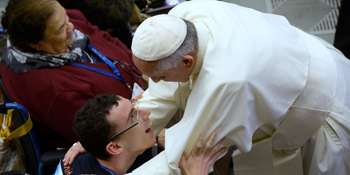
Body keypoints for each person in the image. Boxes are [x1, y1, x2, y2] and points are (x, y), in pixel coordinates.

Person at [128, 1, 350, 175]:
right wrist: (125, 134)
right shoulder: (182, 17)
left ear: (187, 62)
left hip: (320, 110)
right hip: (302, 57)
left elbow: (187, 154)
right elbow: (165, 91)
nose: (152, 82)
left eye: (160, 76)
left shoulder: (227, 81)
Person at [0, 0, 145, 153]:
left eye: (66, 17)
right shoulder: (55, 90)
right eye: (61, 28)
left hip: (141, 90)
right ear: (36, 44)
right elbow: (108, 135)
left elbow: (108, 40)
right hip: (128, 129)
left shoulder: (68, 21)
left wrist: (143, 69)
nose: (72, 27)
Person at [54, 94, 227, 175]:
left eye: (134, 106)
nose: (146, 113)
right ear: (114, 147)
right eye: (133, 117)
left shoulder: (99, 148)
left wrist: (156, 139)